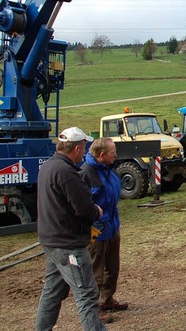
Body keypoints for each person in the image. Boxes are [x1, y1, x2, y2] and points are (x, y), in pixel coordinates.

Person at [35, 127, 107, 330]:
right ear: (76, 148)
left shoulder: (48, 167)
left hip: (52, 240)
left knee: (52, 292)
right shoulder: (67, 173)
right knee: (86, 293)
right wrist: (96, 211)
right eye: (84, 147)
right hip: (68, 244)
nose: (84, 152)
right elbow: (84, 208)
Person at [80, 138, 129, 316]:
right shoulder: (86, 174)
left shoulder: (110, 170)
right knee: (96, 271)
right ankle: (94, 309)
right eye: (112, 152)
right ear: (101, 155)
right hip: (96, 230)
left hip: (112, 226)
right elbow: (82, 204)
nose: (115, 155)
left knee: (112, 267)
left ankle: (107, 300)